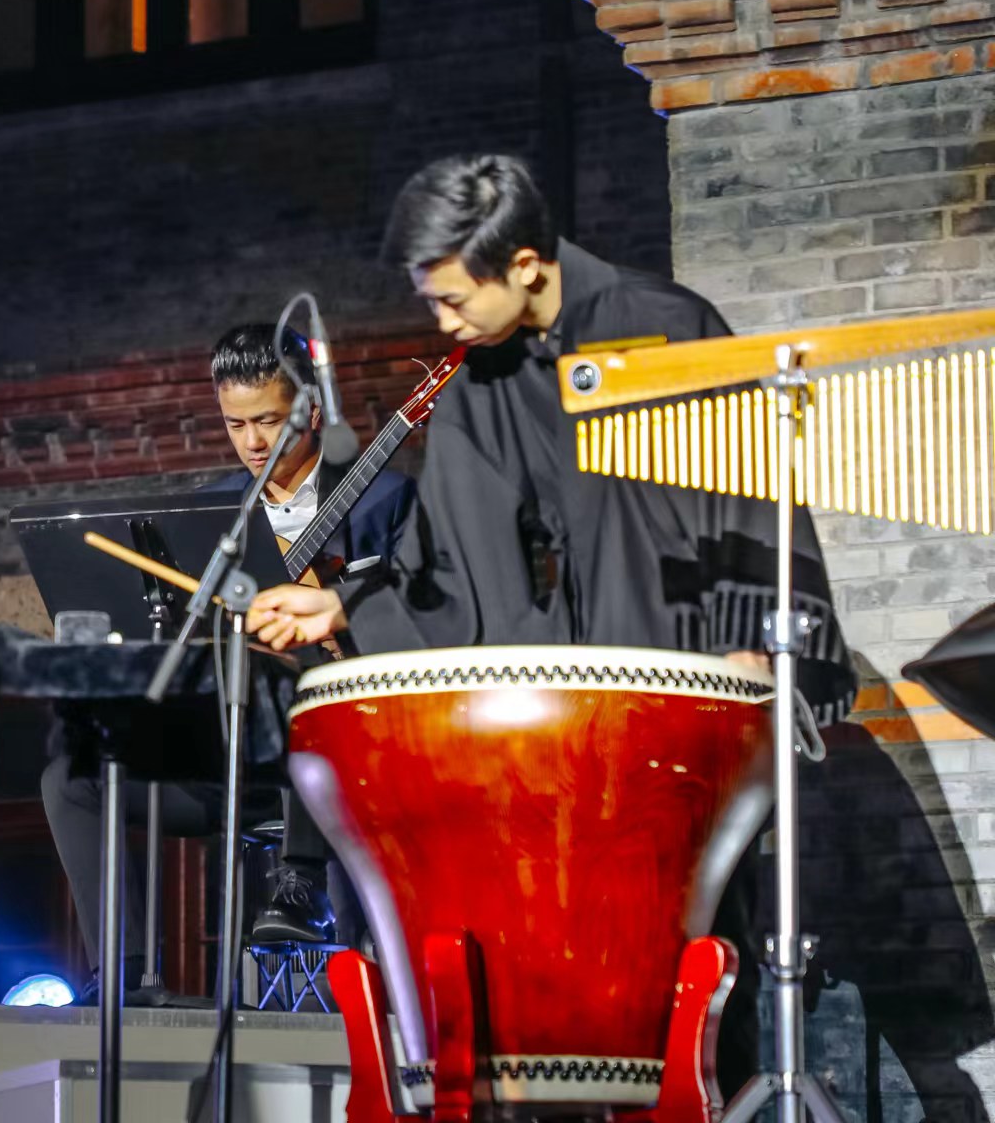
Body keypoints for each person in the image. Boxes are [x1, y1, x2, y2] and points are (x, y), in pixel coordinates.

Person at [250, 153, 854, 1091]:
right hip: (562, 725)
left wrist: (749, 659)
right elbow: (449, 565)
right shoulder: (479, 382)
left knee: (689, 957)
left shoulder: (664, 326)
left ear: (525, 264)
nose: (442, 323)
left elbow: (751, 503)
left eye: (453, 299)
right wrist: (344, 606)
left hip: (681, 687)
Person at [39, 322, 413, 998]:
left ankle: (302, 885)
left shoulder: (385, 499)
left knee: (294, 677)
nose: (253, 443)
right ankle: (120, 977)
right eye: (236, 425)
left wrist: (342, 623)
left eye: (268, 421)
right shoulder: (208, 514)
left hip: (341, 756)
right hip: (225, 759)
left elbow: (422, 624)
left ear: (312, 412)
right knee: (72, 772)